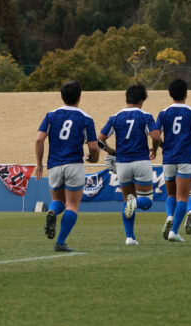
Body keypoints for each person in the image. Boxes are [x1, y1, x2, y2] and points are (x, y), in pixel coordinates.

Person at [34, 80, 98, 252]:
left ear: (61, 96)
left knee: (58, 201)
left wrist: (39, 164)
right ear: (79, 97)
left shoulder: (51, 115)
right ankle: (60, 242)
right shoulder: (85, 118)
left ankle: (53, 212)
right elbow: (93, 146)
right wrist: (94, 158)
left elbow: (39, 139)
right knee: (72, 205)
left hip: (54, 165)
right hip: (74, 164)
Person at [97, 83, 160, 246]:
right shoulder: (146, 116)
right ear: (141, 100)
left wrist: (111, 151)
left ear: (127, 98)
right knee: (146, 202)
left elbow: (99, 141)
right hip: (141, 161)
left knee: (128, 200)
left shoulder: (115, 117)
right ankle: (135, 206)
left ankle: (130, 237)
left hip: (122, 163)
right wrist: (154, 150)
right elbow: (156, 137)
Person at [155, 78, 191, 243]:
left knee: (170, 194)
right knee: (182, 197)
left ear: (170, 94)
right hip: (185, 158)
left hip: (168, 157)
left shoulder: (163, 113)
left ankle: (170, 216)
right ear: (186, 94)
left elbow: (156, 136)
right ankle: (174, 231)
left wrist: (161, 146)